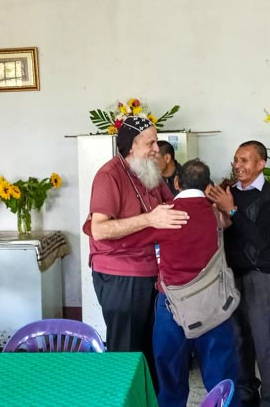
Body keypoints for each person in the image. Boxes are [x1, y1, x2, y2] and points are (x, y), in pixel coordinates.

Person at [89, 159, 240, 407]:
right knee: (222, 375)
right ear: (207, 186)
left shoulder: (165, 215)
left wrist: (93, 225)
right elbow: (227, 223)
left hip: (173, 307)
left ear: (177, 182)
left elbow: (122, 240)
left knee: (170, 379)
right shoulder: (214, 214)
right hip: (214, 305)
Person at [85, 116, 188, 390]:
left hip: (152, 272)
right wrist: (149, 220)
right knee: (127, 353)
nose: (156, 148)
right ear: (131, 145)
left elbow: (172, 208)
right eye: (150, 143)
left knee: (151, 349)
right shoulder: (109, 175)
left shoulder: (150, 172)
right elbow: (99, 230)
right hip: (121, 275)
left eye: (156, 142)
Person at [207, 141, 270, 407]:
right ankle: (246, 392)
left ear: (261, 164)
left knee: (265, 341)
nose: (237, 165)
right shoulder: (228, 191)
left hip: (258, 275)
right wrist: (218, 210)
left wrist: (232, 210)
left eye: (244, 160)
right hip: (230, 275)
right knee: (238, 339)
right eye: (236, 160)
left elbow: (261, 240)